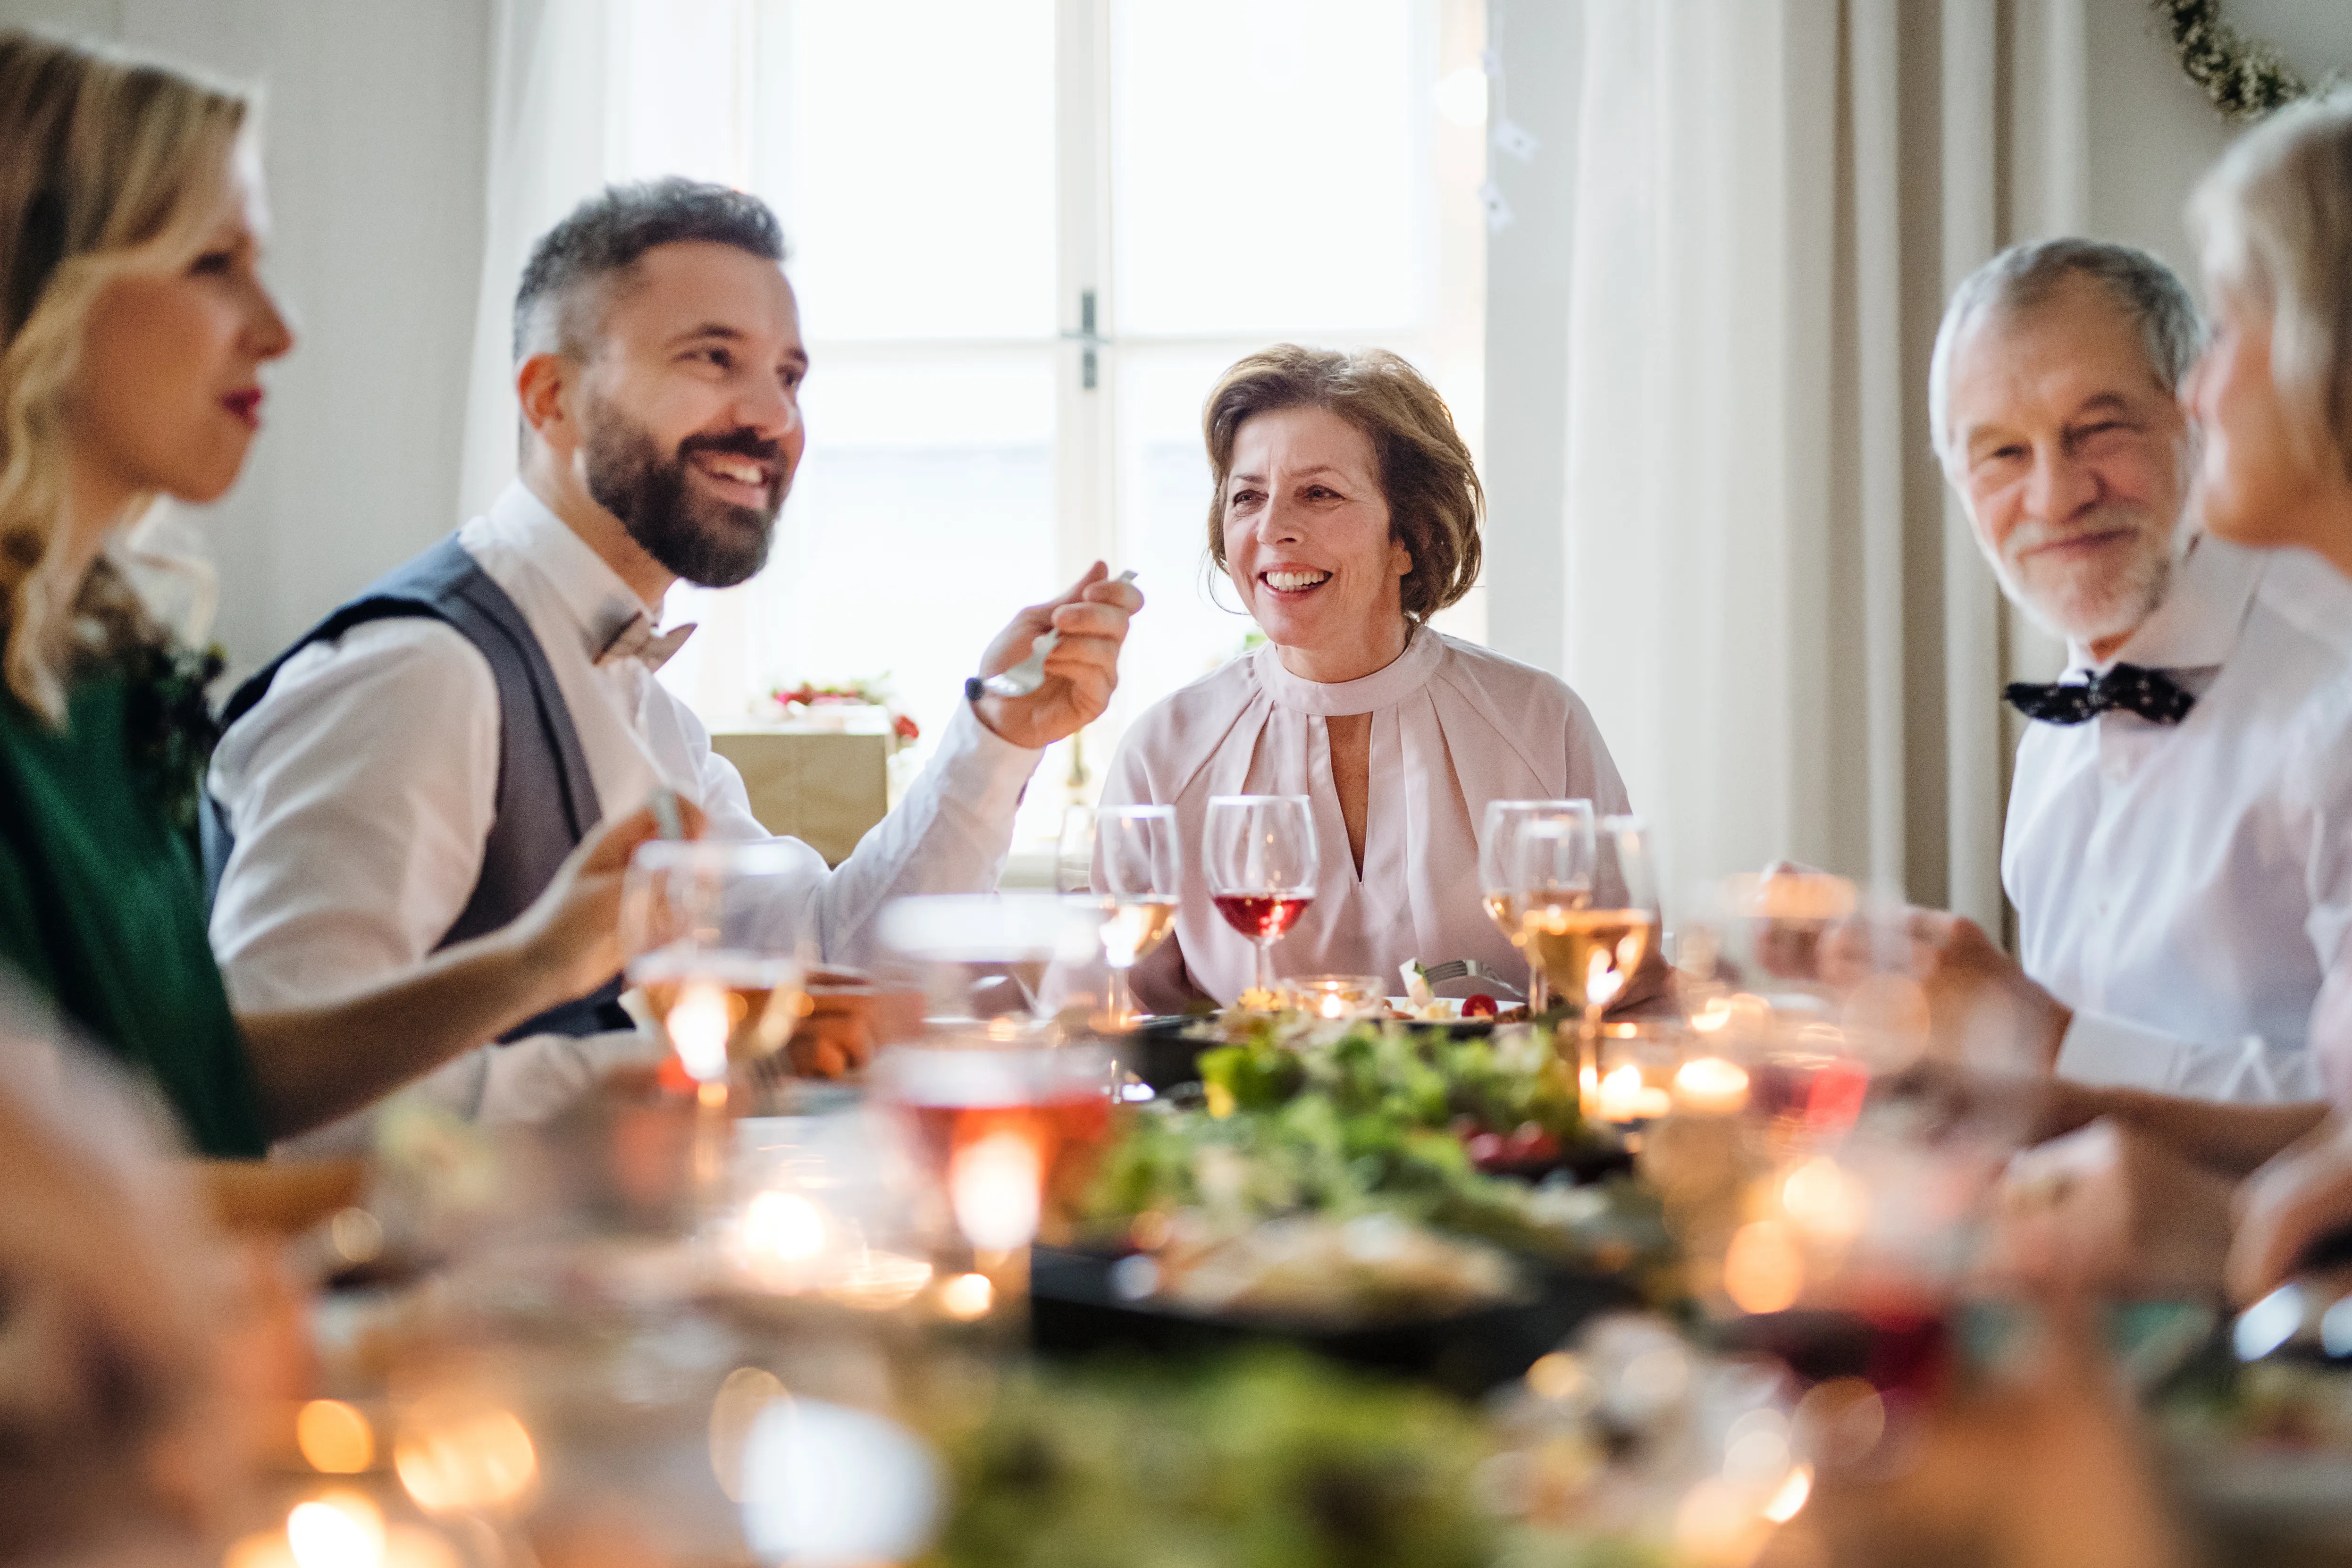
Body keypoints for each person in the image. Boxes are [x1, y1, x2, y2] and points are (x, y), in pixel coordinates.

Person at [207, 177, 1142, 1133]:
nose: (772, 417)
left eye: (789, 375)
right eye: (712, 357)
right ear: (552, 396)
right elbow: (274, 1096)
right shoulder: (420, 672)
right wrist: (678, 1069)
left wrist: (993, 738)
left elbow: (823, 956)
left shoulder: (648, 712)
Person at [0, 30, 663, 1158]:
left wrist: (542, 962)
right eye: (213, 265)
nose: (279, 329)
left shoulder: (105, 674)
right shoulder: (420, 661)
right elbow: (70, 1219)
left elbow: (202, 1090)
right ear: (35, 279)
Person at [1898, 237, 2352, 1102]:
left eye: (2098, 430)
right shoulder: (2052, 746)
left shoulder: (2333, 689)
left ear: (2201, 421)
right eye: (2001, 454)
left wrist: (2051, 1039)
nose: (2056, 497)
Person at [1098, 344, 1629, 1008]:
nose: (1272, 529)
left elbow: (1621, 987)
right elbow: (1129, 1014)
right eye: (1248, 496)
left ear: (1408, 536)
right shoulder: (1164, 750)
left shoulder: (1541, 722)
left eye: (1318, 493)